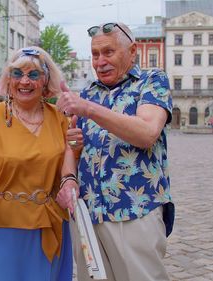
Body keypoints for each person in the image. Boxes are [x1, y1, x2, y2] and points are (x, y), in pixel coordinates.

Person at [56, 22, 174, 281]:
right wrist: (69, 171)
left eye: (108, 52)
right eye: (95, 54)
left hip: (133, 212)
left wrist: (88, 109)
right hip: (89, 215)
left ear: (132, 52)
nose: (100, 61)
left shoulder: (151, 82)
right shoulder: (89, 93)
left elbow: (146, 133)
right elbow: (72, 150)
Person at [0, 46, 78, 281]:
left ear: (45, 81)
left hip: (49, 225)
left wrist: (76, 148)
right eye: (17, 74)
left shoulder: (60, 119)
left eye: (33, 75)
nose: (25, 81)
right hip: (2, 227)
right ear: (8, 80)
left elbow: (70, 169)